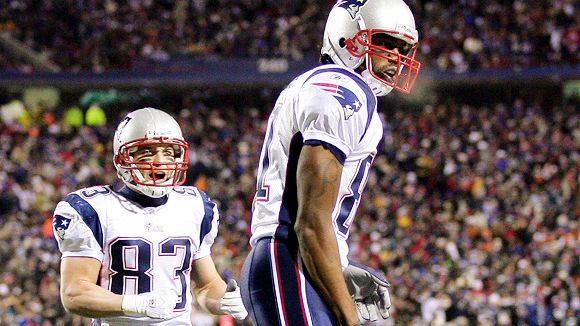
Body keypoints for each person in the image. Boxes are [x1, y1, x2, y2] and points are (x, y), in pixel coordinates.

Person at [240, 0, 422, 325]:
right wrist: (348, 316)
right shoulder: (342, 88)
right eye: (385, 43)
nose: (397, 59)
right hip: (289, 258)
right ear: (346, 37)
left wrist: (337, 268)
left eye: (404, 48)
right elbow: (309, 223)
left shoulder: (335, 88)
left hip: (294, 262)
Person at [52, 108, 247, 325]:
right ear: (123, 159)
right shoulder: (93, 209)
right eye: (148, 152)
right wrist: (134, 304)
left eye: (169, 152)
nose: (160, 161)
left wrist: (226, 300)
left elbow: (206, 285)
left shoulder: (195, 206)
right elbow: (74, 293)